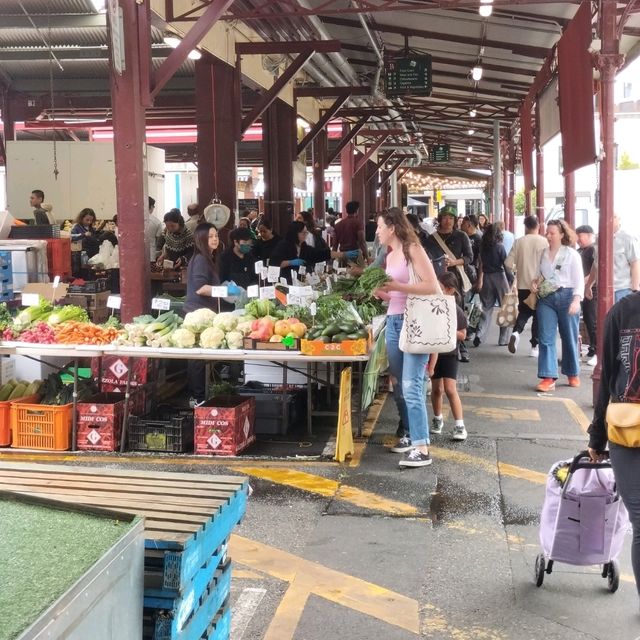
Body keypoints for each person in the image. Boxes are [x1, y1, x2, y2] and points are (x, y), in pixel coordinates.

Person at [373, 207, 440, 468]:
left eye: (379, 227)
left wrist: (396, 287)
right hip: (394, 320)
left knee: (412, 384)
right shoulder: (391, 256)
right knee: (399, 384)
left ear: (392, 227)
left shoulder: (413, 249)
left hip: (415, 323)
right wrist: (381, 293)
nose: (377, 232)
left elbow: (431, 286)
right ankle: (411, 435)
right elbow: (396, 296)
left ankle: (422, 447)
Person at [587, 292, 640, 606]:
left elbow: (608, 376)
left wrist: (597, 438)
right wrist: (597, 436)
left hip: (626, 431)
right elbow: (608, 375)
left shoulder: (623, 311)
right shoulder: (622, 311)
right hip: (626, 431)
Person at [184, 223, 239, 405]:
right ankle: (197, 398)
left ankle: (198, 395)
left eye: (216, 235)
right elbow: (201, 288)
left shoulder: (209, 258)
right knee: (198, 360)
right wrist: (224, 291)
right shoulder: (200, 259)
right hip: (197, 313)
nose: (215, 239)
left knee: (200, 358)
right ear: (201, 239)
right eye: (210, 236)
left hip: (205, 311)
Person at [530, 219, 584, 392]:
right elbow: (540, 275)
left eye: (552, 233)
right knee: (545, 337)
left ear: (562, 234)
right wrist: (535, 282)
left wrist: (577, 300)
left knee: (569, 336)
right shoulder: (543, 253)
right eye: (547, 232)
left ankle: (572, 372)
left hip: (567, 296)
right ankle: (548, 376)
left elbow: (579, 280)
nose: (549, 236)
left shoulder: (572, 254)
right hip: (546, 298)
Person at [429, 271, 468, 442]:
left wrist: (447, 330)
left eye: (441, 288)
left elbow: (463, 335)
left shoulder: (456, 310)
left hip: (450, 353)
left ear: (451, 290)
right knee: (437, 389)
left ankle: (460, 425)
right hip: (434, 353)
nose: (437, 291)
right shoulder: (431, 306)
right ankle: (437, 419)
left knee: (450, 389)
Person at [505, 215, 548, 358]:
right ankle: (534, 347)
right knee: (538, 316)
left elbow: (508, 263)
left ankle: (516, 332)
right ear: (538, 226)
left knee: (524, 311)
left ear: (525, 227)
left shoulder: (519, 242)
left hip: (523, 284)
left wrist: (518, 270)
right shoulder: (545, 242)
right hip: (541, 285)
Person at [270, 221, 357, 283]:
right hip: (285, 281)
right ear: (295, 233)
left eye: (306, 233)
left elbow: (321, 254)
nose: (306, 235)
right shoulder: (283, 245)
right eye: (303, 233)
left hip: (300, 281)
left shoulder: (304, 247)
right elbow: (274, 263)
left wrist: (343, 254)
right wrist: (290, 262)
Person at [472, 223, 512, 347]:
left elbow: (480, 264)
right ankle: (503, 339)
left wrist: (480, 280)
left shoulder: (482, 247)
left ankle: (479, 334)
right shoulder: (500, 247)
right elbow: (506, 265)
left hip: (486, 277)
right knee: (505, 307)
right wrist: (511, 279)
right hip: (500, 277)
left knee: (486, 308)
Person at [425, 205, 474, 292]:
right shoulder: (431, 238)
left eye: (451, 218)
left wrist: (454, 262)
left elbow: (469, 257)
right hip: (436, 277)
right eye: (444, 218)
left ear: (455, 220)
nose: (448, 221)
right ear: (440, 219)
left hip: (455, 278)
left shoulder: (461, 236)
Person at [576, 225, 598, 367]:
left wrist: (585, 282)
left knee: (592, 320)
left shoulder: (593, 249)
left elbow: (594, 269)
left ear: (590, 235)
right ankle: (591, 348)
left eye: (581, 236)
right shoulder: (579, 250)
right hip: (581, 289)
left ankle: (596, 349)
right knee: (583, 320)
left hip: (591, 289)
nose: (578, 239)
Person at [218, 227, 258, 291]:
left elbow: (255, 279)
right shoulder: (224, 258)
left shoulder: (251, 257)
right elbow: (222, 281)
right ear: (236, 242)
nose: (247, 245)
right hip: (231, 296)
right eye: (244, 242)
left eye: (249, 243)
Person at [613, 214, 640, 302]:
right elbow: (596, 263)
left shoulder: (628, 238)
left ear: (619, 219)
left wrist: (635, 289)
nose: (610, 220)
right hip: (602, 289)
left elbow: (635, 263)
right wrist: (589, 285)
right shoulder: (599, 238)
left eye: (613, 217)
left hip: (622, 289)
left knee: (623, 315)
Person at [461, 214, 482, 282]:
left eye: (463, 223)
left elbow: (481, 260)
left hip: (471, 273)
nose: (461, 225)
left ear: (469, 225)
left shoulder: (478, 239)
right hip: (460, 271)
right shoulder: (460, 237)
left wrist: (480, 280)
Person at [146, 196, 163, 262]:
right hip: (150, 254)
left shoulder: (134, 220)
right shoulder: (157, 222)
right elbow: (158, 240)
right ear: (151, 206)